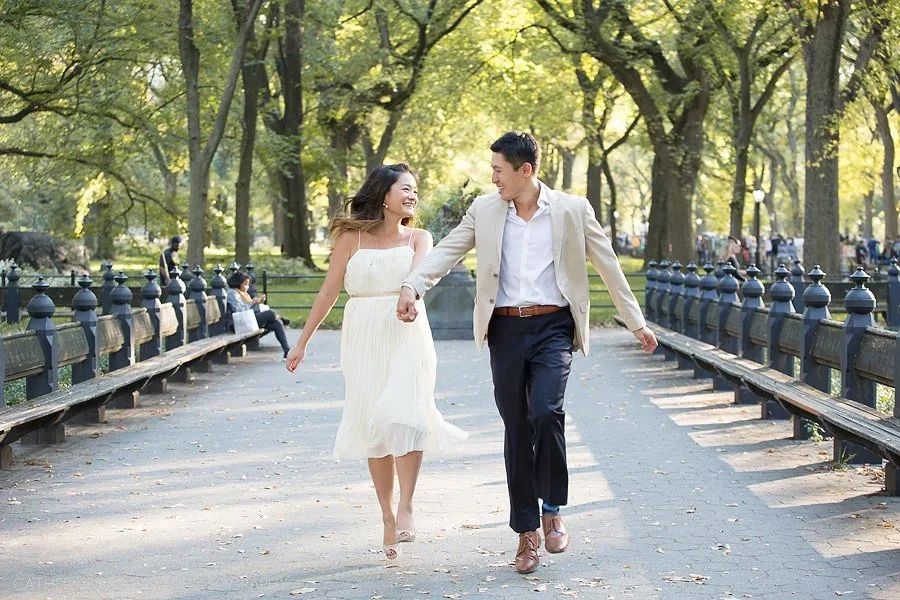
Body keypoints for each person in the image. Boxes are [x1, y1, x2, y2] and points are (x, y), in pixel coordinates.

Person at [395, 132, 657, 575]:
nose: (493, 177)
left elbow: (608, 264)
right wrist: (412, 285)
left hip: (554, 326)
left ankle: (552, 507)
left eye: (499, 170)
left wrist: (636, 322)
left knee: (546, 411)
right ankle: (526, 535)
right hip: (506, 330)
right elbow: (447, 251)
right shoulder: (485, 209)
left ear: (525, 171)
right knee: (516, 428)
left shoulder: (573, 211)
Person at [284, 163, 467, 561]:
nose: (413, 195)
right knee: (374, 424)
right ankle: (386, 514)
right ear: (384, 194)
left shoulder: (420, 237)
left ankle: (407, 505)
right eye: (405, 188)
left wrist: (408, 295)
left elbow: (422, 275)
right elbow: (329, 292)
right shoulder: (352, 239)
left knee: (409, 415)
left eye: (416, 190)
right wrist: (301, 343)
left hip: (407, 331)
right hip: (363, 333)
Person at [226, 271, 291, 357]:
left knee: (276, 323)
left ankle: (287, 351)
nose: (247, 287)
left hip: (247, 319)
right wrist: (252, 302)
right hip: (238, 323)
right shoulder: (232, 293)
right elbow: (239, 310)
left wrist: (256, 303)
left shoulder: (242, 293)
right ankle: (280, 318)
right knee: (271, 314)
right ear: (238, 283)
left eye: (248, 284)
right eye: (245, 284)